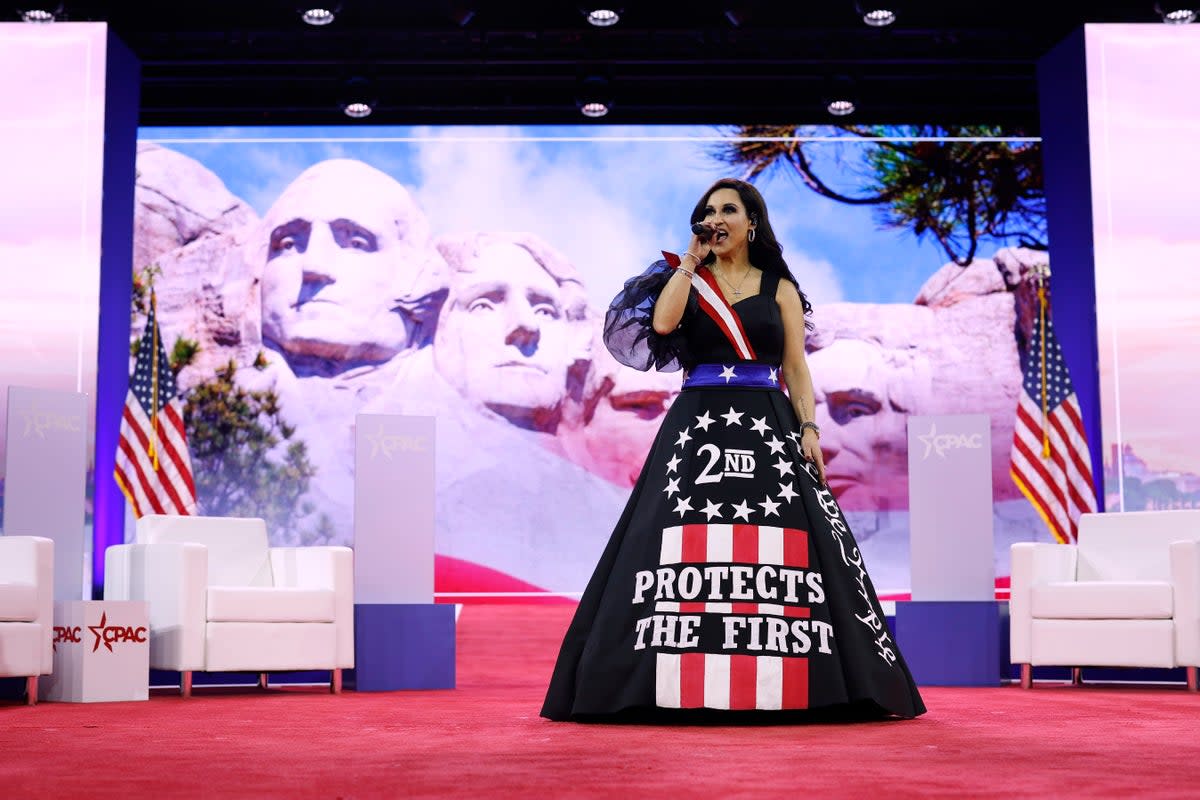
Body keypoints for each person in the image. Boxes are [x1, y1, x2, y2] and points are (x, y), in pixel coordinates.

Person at [541, 178, 926, 721]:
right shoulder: (688, 278)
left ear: (752, 223)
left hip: (768, 424)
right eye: (708, 211)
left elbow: (795, 367)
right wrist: (689, 265)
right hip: (697, 427)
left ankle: (811, 680)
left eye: (728, 210)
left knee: (786, 543)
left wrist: (810, 430)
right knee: (672, 544)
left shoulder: (780, 289)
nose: (716, 217)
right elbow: (663, 323)